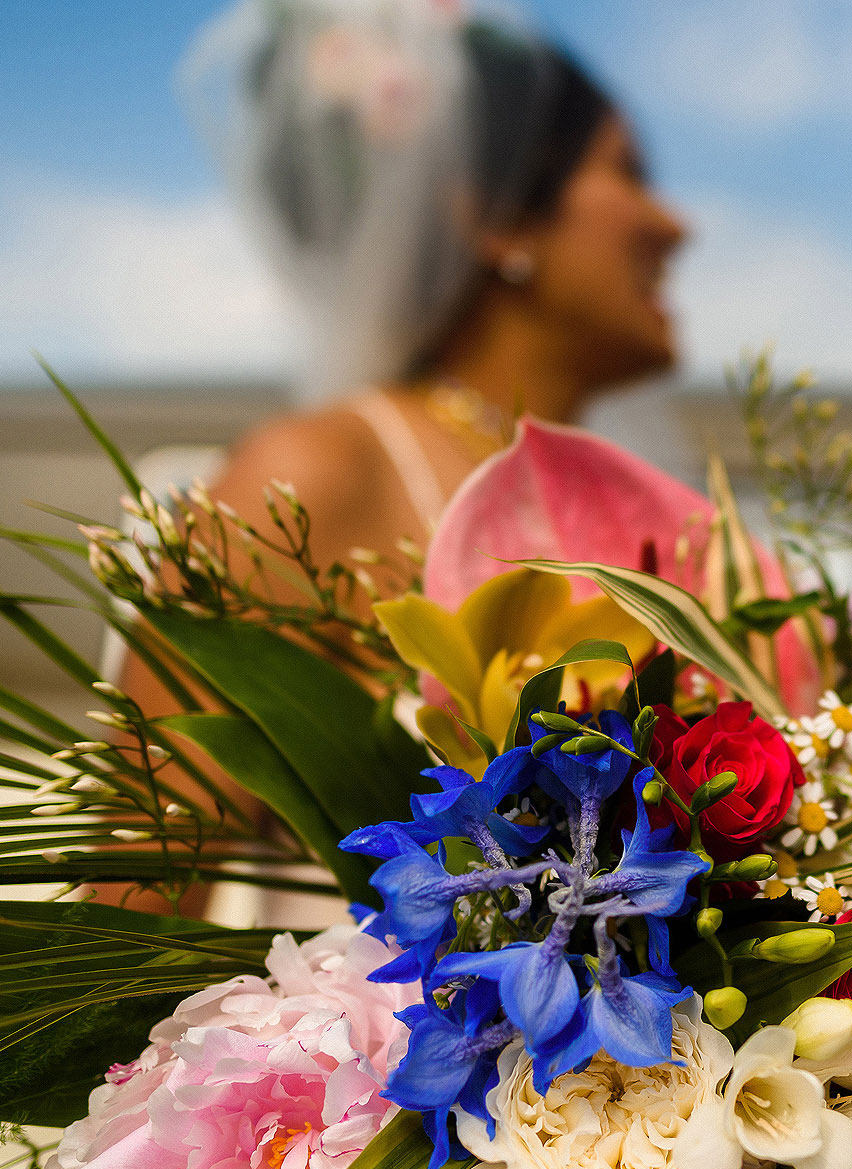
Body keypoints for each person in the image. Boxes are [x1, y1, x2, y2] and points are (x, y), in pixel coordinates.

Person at [118, 0, 686, 916]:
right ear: (498, 215)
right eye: (628, 173)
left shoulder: (646, 512)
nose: (674, 225)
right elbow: (125, 921)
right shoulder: (312, 480)